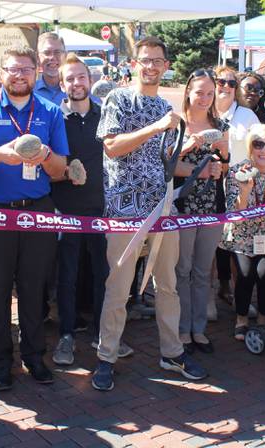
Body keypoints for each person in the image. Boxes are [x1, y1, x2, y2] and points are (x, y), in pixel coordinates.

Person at [92, 36, 208, 392]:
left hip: (162, 209)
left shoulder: (164, 105)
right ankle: (106, 357)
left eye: (158, 60)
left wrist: (187, 148)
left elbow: (163, 161)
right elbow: (112, 148)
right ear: (134, 63)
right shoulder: (119, 99)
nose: (152, 66)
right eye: (146, 60)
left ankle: (172, 352)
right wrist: (155, 128)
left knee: (168, 285)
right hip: (125, 211)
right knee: (119, 288)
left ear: (167, 65)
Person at [0, 46, 69, 391]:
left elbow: (61, 169)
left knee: (34, 288)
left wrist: (46, 155)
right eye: (12, 69)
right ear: (0, 74)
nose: (19, 75)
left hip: (37, 209)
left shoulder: (50, 111)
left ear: (35, 72)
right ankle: (1, 362)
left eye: (25, 69)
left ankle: (34, 357)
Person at [49, 54, 108, 366]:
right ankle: (67, 335)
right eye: (69, 78)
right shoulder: (54, 118)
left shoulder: (106, 115)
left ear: (90, 79)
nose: (76, 83)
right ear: (62, 84)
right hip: (66, 210)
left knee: (103, 273)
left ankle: (102, 333)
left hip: (101, 208)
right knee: (67, 276)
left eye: (81, 77)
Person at [174, 68, 228, 354]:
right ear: (188, 92)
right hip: (184, 205)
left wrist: (221, 163)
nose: (205, 98)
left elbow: (225, 165)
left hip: (211, 207)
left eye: (210, 93)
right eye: (199, 92)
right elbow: (166, 165)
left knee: (203, 270)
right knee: (181, 269)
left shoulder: (220, 123)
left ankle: (198, 328)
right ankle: (182, 329)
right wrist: (191, 146)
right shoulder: (177, 124)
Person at [221, 124, 265, 340]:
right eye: (258, 144)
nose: (264, 150)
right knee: (244, 274)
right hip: (242, 236)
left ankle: (263, 320)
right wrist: (245, 193)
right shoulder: (238, 171)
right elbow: (234, 214)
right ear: (250, 147)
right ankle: (241, 318)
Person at [213, 66, 259, 307]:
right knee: (209, 242)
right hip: (207, 187)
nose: (226, 87)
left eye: (232, 83)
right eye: (221, 82)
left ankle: (238, 295)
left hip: (238, 188)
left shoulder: (246, 116)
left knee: (237, 243)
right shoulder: (204, 111)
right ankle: (215, 291)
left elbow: (259, 149)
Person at [35, 32, 67, 105]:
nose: (52, 57)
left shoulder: (77, 90)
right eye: (46, 53)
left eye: (57, 52)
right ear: (37, 57)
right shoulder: (29, 92)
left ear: (65, 55)